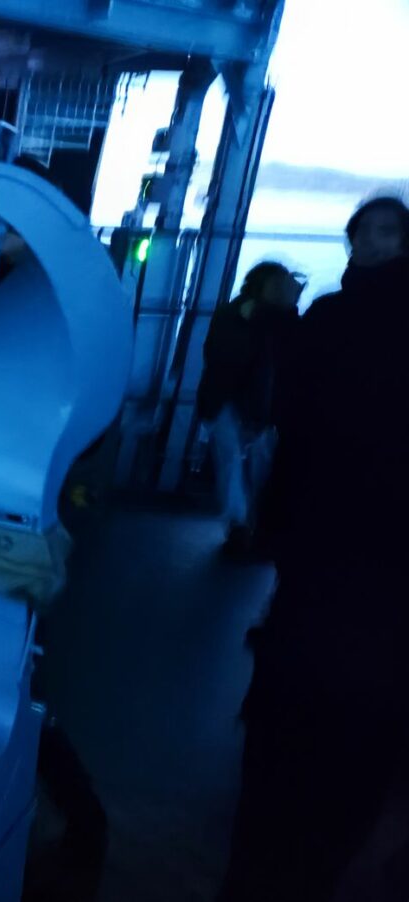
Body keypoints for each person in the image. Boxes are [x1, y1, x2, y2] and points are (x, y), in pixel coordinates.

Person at [220, 197, 409, 902]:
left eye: (385, 233)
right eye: (371, 232)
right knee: (360, 718)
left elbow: (291, 416)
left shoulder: (329, 320)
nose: (375, 244)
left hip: (320, 539)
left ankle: (259, 866)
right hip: (384, 555)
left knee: (291, 707)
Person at [196, 262, 302, 553]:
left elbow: (222, 359)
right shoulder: (278, 321)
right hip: (255, 404)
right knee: (254, 465)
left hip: (226, 401)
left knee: (233, 464)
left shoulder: (234, 315)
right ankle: (248, 525)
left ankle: (241, 525)